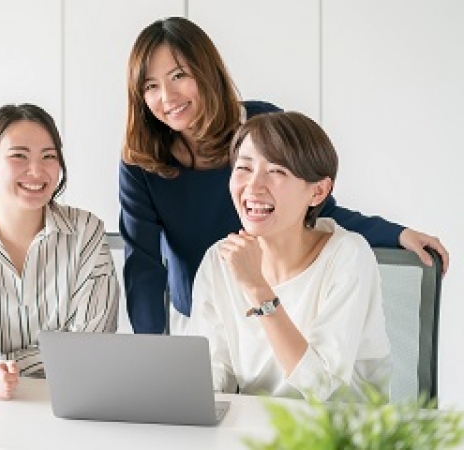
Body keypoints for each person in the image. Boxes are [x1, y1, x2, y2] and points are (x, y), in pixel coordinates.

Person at [119, 16, 448, 335]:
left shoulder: (260, 127)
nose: (167, 97)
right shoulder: (141, 160)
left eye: (178, 76)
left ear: (206, 70)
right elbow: (143, 265)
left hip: (275, 309)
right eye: (151, 86)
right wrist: (150, 349)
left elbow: (316, 210)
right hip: (202, 319)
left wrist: (396, 234)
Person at [188, 111, 391, 400]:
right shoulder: (219, 259)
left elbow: (321, 388)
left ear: (318, 192)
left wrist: (257, 289)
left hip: (336, 425)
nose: (253, 186)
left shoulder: (348, 255)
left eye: (276, 171)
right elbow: (213, 374)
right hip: (253, 424)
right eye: (244, 168)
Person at [0, 104, 119, 400]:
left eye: (49, 156)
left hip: (72, 402)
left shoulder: (86, 232)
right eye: (19, 156)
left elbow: (90, 344)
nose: (36, 171)